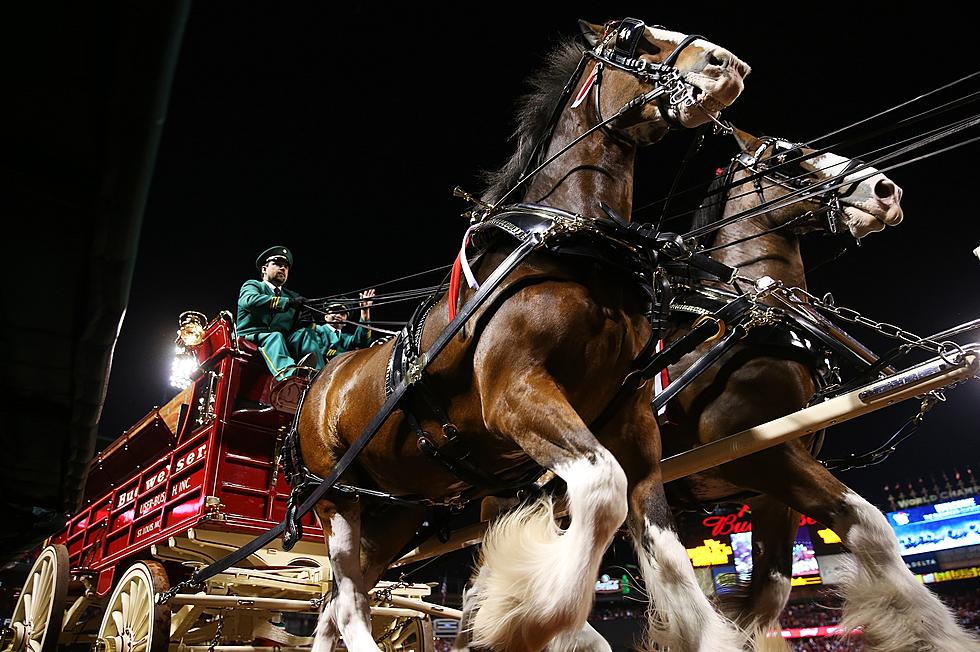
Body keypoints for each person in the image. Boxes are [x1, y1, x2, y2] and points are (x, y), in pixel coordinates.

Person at [236, 245, 373, 380]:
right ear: (264, 269)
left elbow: (298, 329)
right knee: (275, 337)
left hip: (280, 339)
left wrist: (307, 322)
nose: (283, 268)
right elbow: (249, 301)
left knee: (304, 334)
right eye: (277, 264)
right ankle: (289, 378)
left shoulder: (291, 295)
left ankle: (318, 377)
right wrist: (287, 303)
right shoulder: (253, 285)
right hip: (253, 335)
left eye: (286, 266)